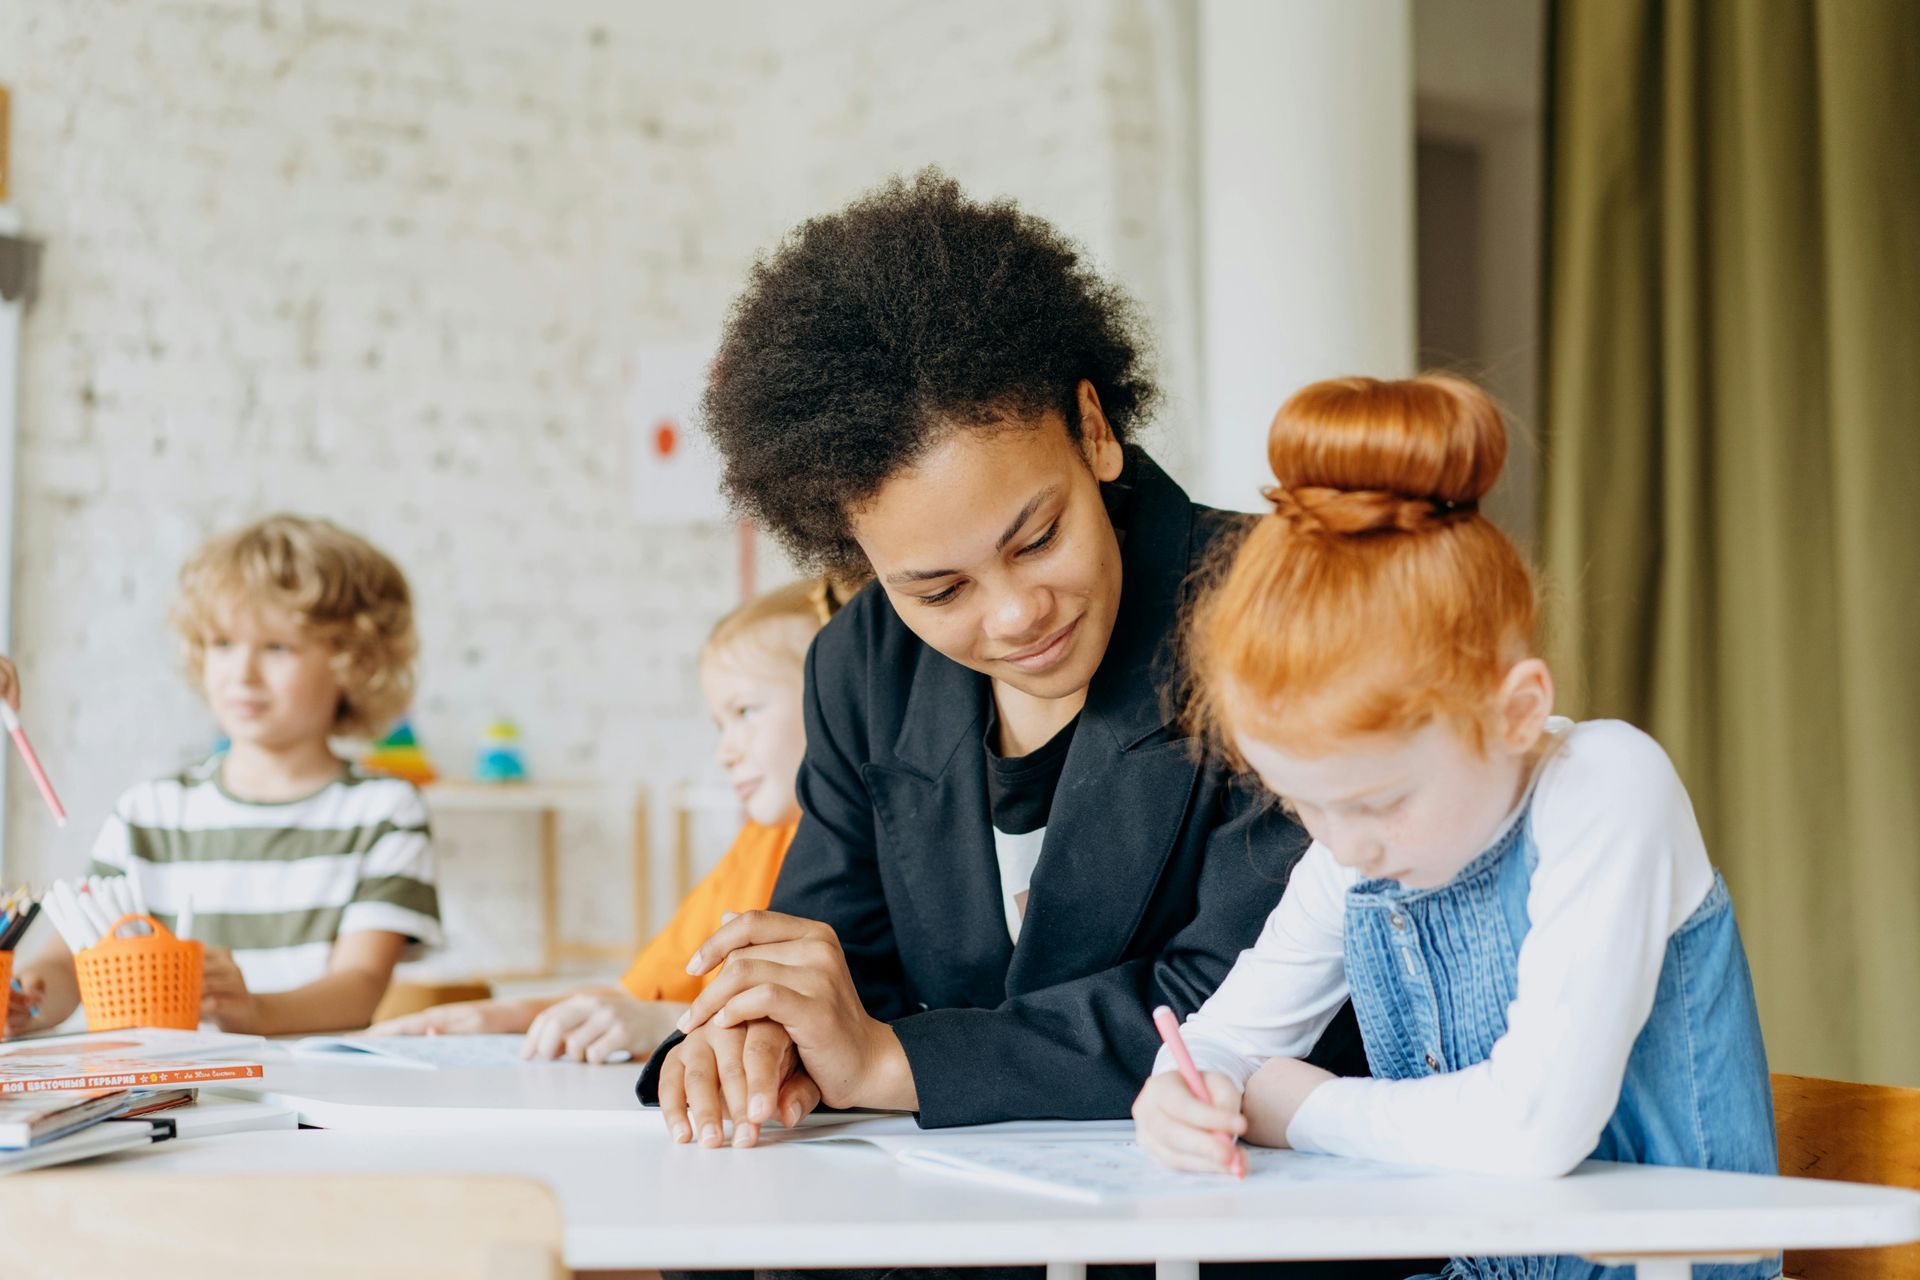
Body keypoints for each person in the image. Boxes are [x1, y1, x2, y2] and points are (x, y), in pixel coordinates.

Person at [643, 171, 1375, 1157]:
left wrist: (889, 1062)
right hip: (963, 1214)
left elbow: (1244, 1001)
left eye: (1037, 537)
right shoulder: (861, 668)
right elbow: (833, 959)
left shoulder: (1284, 607)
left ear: (1094, 428)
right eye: (939, 589)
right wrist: (760, 1035)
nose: (1017, 612)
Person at [1132, 375, 1775, 1280]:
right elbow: (1227, 1038)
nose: (1343, 843)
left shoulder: (1605, 787)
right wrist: (1181, 1093)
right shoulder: (1353, 854)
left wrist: (1300, 1107)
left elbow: (1534, 1126)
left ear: (1517, 710)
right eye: (1301, 803)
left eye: (1380, 801)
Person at [6, 515, 442, 1038]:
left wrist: (256, 1012)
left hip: (315, 1102)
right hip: (175, 1102)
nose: (243, 673)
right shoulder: (151, 811)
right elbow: (72, 962)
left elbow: (360, 985)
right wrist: (23, 999)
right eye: (222, 644)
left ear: (354, 661)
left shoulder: (385, 812)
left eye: (277, 647)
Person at [371, 579, 838, 1066]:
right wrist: (505, 1016)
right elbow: (637, 996)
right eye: (719, 725)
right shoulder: (757, 845)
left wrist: (664, 1025)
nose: (725, 752)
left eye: (745, 711)